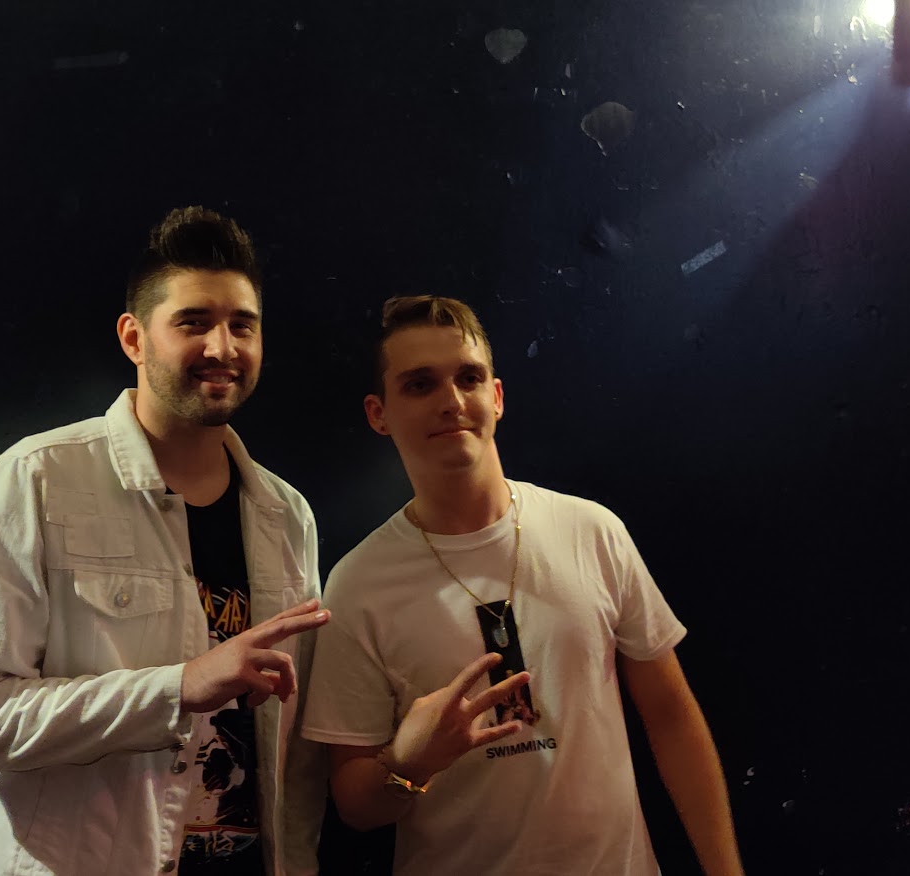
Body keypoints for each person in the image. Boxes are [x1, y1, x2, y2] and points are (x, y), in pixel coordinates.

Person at [0, 206, 329, 876]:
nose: (223, 347)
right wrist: (177, 687)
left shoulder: (287, 515)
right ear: (134, 338)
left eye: (242, 325)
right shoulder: (37, 480)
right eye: (193, 322)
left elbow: (292, 753)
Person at [300, 295, 746, 875]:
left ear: (497, 396)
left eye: (468, 378)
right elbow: (354, 805)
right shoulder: (358, 584)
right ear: (378, 414)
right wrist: (410, 764)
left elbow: (670, 716)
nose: (452, 400)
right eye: (420, 384)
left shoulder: (591, 531)